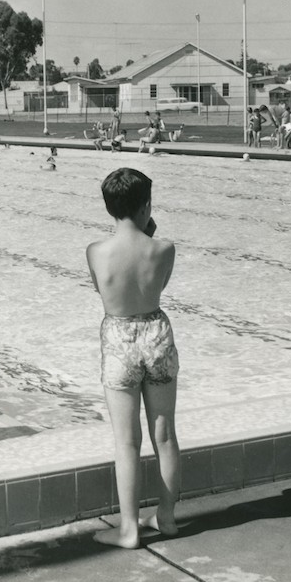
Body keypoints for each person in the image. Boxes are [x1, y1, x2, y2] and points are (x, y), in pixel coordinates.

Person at [86, 168, 179, 548]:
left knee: (126, 441)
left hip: (119, 336)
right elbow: (158, 284)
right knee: (165, 434)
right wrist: (148, 232)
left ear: (109, 208)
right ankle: (168, 518)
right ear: (146, 207)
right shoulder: (164, 248)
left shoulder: (95, 251)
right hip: (156, 333)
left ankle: (128, 529)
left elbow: (102, 292)